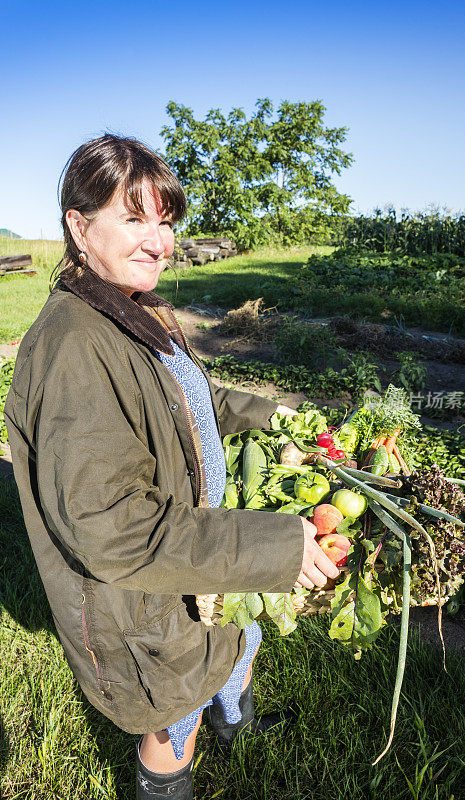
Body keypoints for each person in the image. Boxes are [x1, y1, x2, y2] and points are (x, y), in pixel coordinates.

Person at [5, 134, 339, 799]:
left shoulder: (136, 309)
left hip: (204, 547)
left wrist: (289, 425)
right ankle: (170, 781)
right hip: (149, 597)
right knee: (173, 711)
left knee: (238, 642)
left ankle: (234, 726)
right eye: (134, 218)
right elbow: (111, 529)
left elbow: (197, 398)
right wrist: (271, 544)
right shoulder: (76, 347)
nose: (159, 240)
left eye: (166, 221)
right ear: (78, 224)